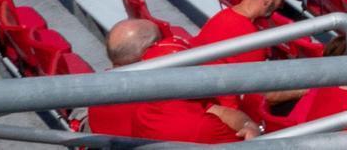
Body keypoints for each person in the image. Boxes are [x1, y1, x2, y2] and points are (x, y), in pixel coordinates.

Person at [89, 19, 257, 141]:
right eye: (163, 40)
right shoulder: (164, 107)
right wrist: (250, 125)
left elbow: (216, 111)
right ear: (152, 51)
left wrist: (244, 122)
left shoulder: (97, 92)